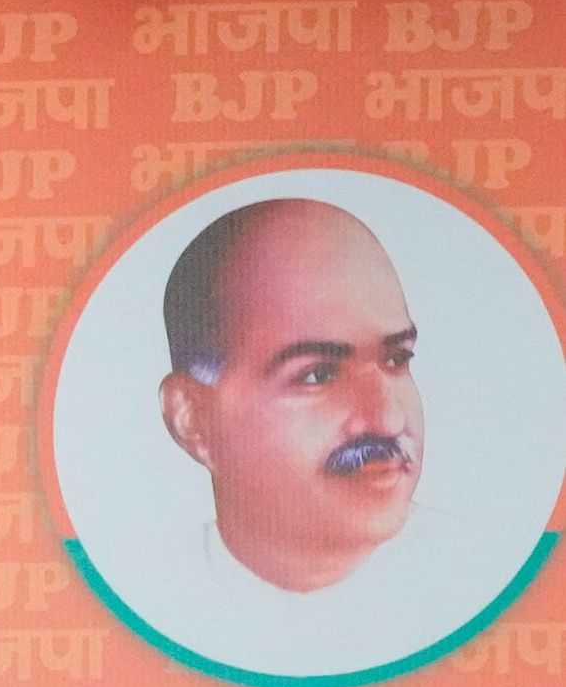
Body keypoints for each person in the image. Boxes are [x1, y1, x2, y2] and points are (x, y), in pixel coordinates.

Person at [160, 198, 429, 601]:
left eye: (396, 359)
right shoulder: (155, 591)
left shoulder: (480, 570)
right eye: (318, 374)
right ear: (192, 419)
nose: (388, 419)